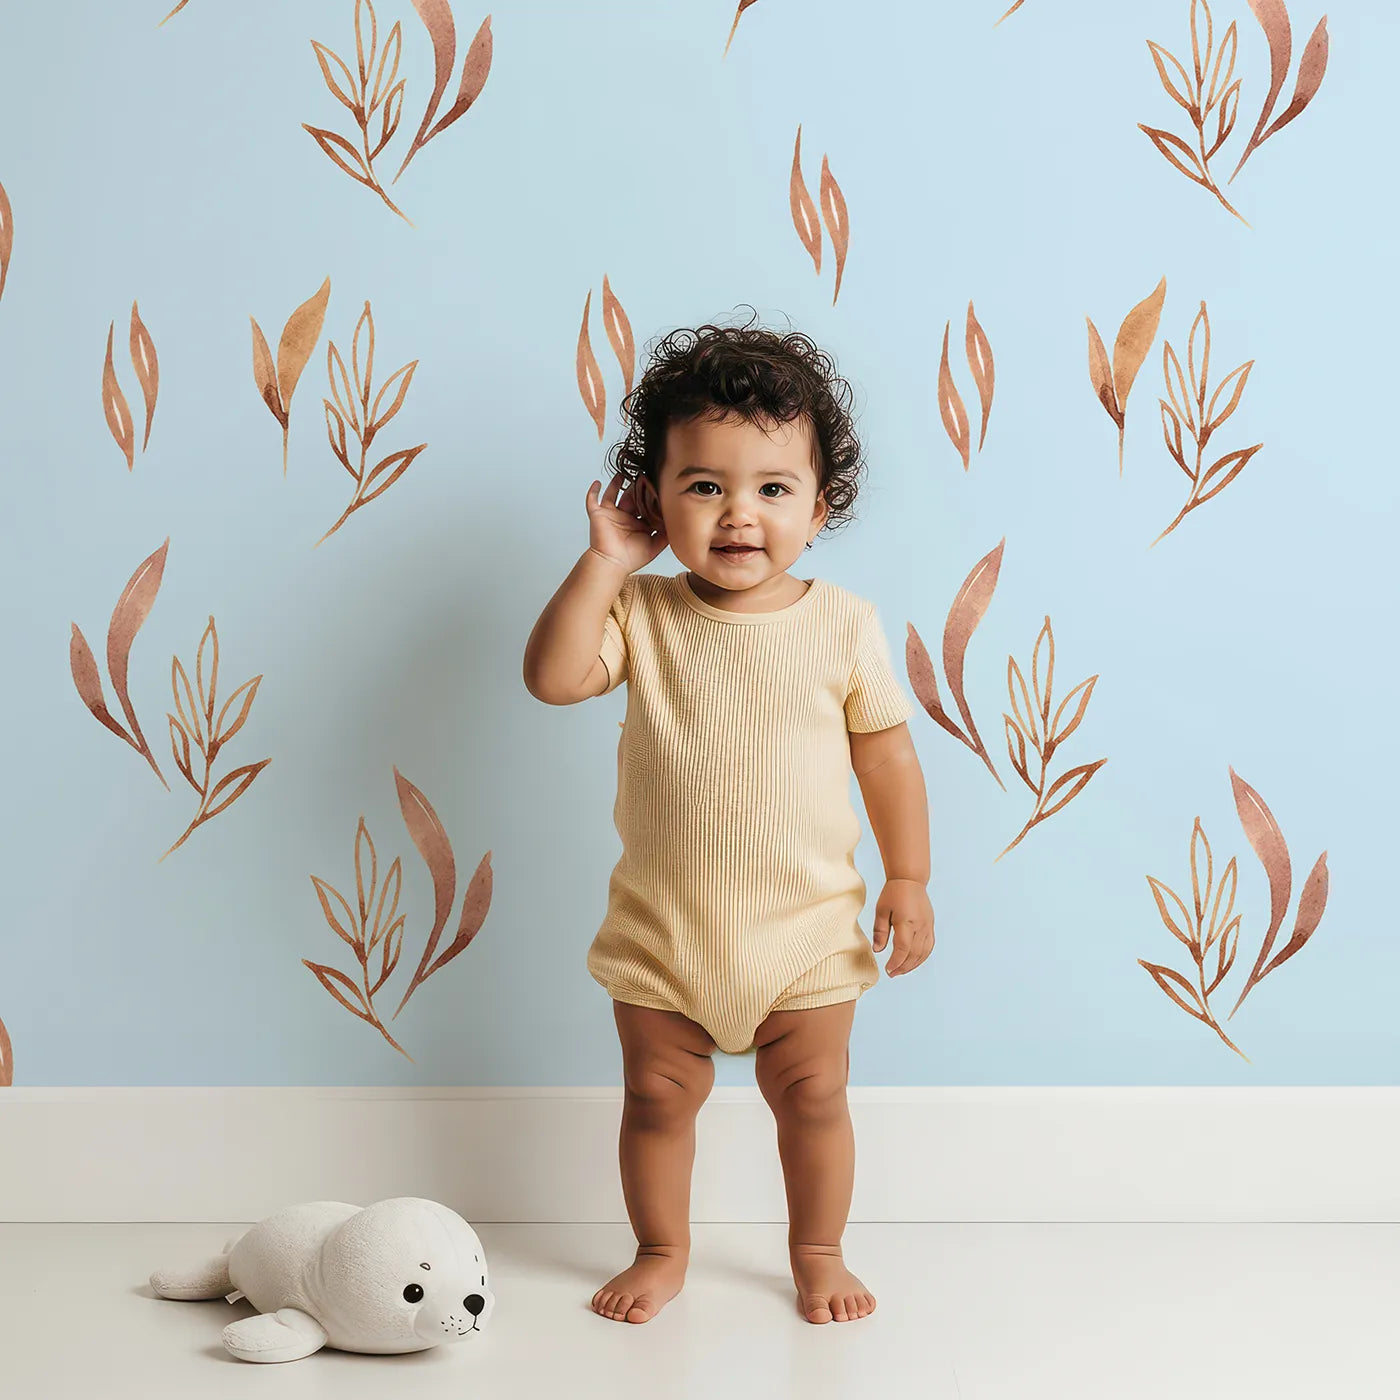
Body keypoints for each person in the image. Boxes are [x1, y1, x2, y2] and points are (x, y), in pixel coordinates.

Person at [523, 314, 935, 1325]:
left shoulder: (841, 623)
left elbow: (884, 753)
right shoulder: (643, 615)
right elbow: (551, 677)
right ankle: (661, 1246)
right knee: (656, 1097)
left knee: (812, 1096)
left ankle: (817, 1249)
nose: (736, 513)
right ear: (655, 499)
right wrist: (605, 564)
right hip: (666, 929)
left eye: (770, 488)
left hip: (802, 928)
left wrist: (908, 877)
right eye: (702, 485)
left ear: (818, 504)